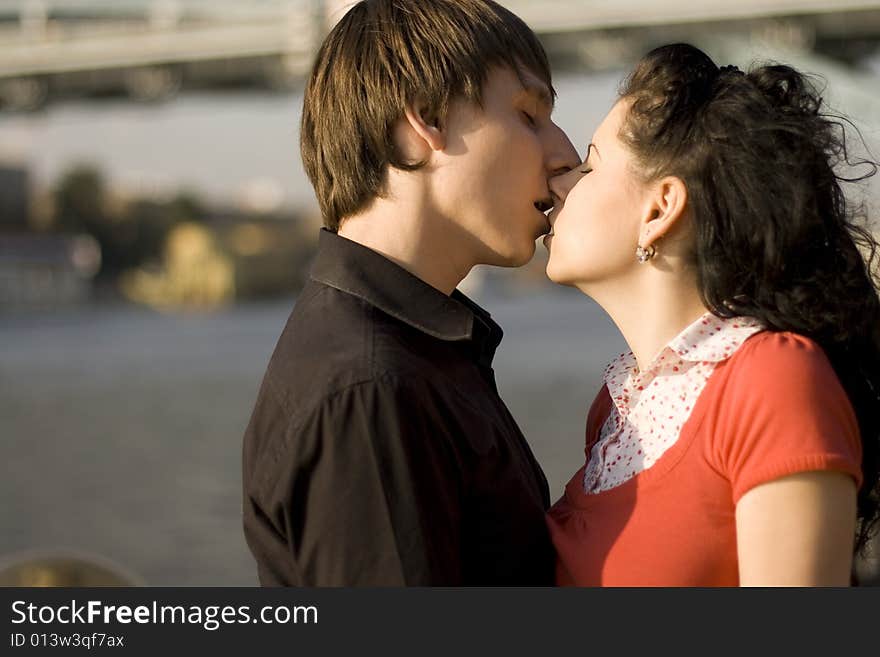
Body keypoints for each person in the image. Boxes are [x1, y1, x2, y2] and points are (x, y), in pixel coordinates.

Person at [241, 0, 579, 586]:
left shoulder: (404, 355)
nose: (564, 154)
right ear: (424, 120)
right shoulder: (372, 389)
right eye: (529, 114)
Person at [544, 43, 880, 586]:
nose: (558, 184)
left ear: (659, 209)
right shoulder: (615, 407)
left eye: (588, 164)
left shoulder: (772, 380)